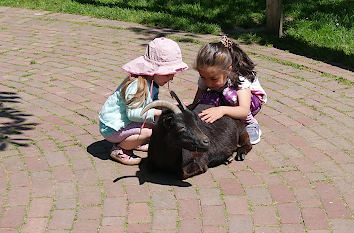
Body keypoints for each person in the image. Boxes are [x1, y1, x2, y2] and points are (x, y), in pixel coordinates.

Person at [99, 37, 188, 165]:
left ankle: (134, 141)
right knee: (151, 131)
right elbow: (133, 114)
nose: (172, 78)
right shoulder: (137, 86)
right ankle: (120, 149)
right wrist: (158, 113)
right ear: (154, 71)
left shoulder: (152, 82)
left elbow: (151, 104)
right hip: (111, 127)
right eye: (168, 74)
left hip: (124, 122)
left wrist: (169, 106)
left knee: (158, 123)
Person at [192, 36, 267, 144]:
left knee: (229, 95)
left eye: (214, 79)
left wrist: (222, 110)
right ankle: (218, 122)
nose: (208, 83)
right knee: (207, 97)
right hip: (226, 100)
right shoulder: (206, 76)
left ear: (228, 70)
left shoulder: (240, 78)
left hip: (249, 104)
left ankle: (250, 124)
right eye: (203, 77)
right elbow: (198, 101)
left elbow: (244, 111)